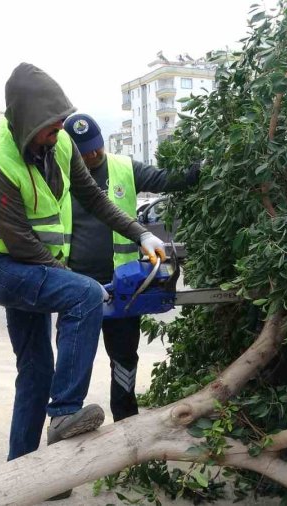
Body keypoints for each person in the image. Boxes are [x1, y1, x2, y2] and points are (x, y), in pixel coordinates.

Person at [0, 63, 167, 464]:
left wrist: (140, 233)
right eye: (51, 129)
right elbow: (21, 245)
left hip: (33, 264)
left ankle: (24, 471)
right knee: (85, 295)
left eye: (60, 128)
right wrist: (80, 286)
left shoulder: (60, 145)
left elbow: (94, 198)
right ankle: (65, 411)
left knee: (36, 371)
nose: (58, 136)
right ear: (26, 123)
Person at [61, 113, 200, 422]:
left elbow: (165, 178)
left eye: (96, 146)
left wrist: (199, 171)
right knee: (73, 359)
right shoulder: (58, 174)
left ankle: (126, 420)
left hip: (123, 287)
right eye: (84, 150)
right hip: (74, 285)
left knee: (124, 357)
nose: (92, 154)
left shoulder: (124, 168)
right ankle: (66, 420)